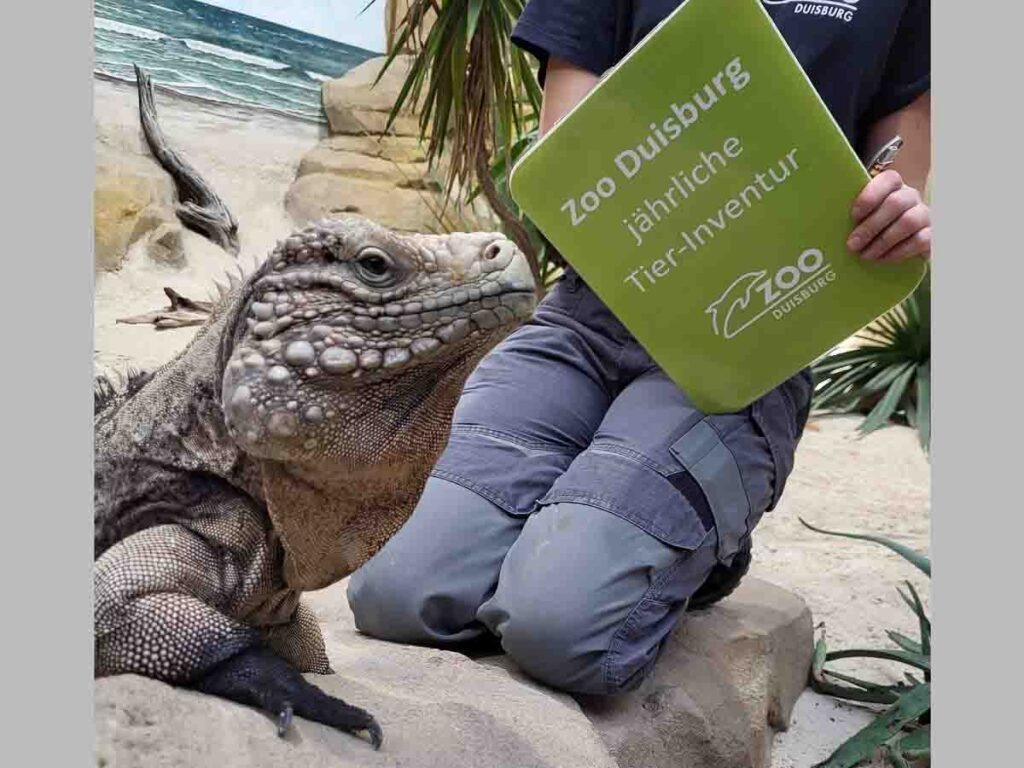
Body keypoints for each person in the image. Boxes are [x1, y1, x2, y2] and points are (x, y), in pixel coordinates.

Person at [347, 0, 931, 696]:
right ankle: (596, 523)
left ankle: (695, 549)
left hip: (742, 348)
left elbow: (897, 177)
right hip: (584, 322)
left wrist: (898, 216)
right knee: (394, 594)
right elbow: (569, 169)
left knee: (555, 630)